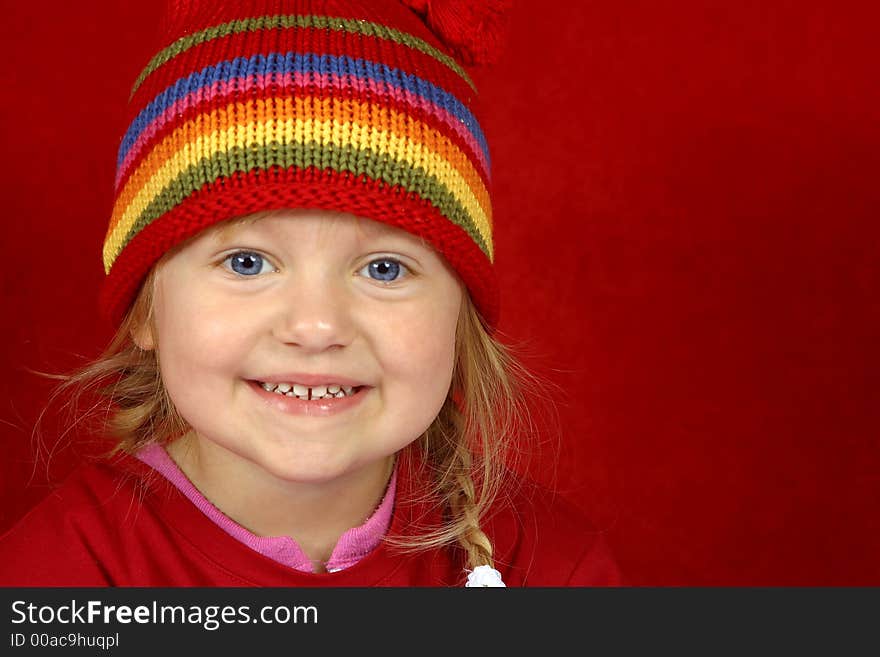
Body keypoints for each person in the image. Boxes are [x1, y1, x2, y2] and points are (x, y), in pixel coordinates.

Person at [0, 0, 621, 586]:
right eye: (247, 263)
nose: (318, 326)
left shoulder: (550, 567)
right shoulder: (60, 573)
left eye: (384, 269)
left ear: (461, 317)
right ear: (147, 309)